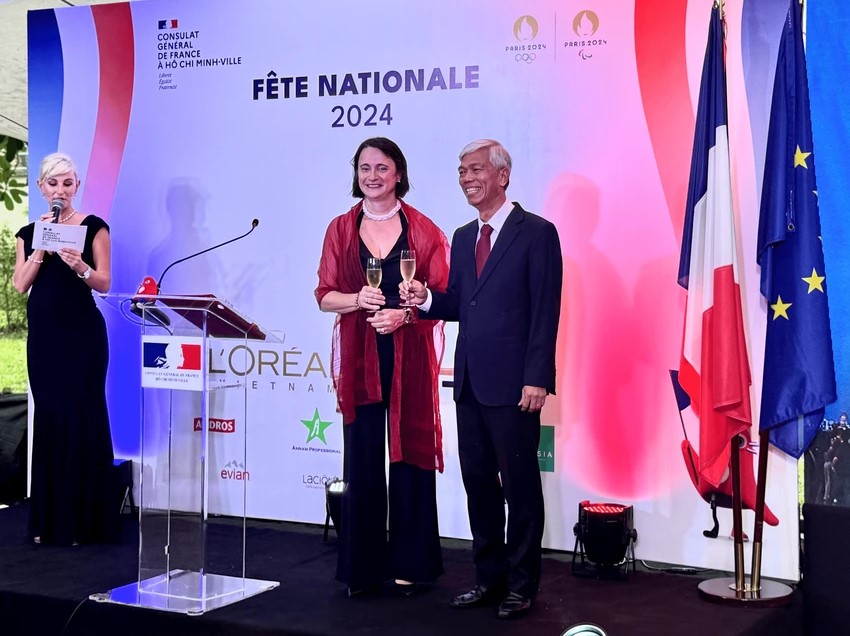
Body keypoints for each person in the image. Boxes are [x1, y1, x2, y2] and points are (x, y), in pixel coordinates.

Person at [403, 139, 562, 619]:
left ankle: (522, 585)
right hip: (470, 383)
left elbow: (545, 311)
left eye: (475, 169)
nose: (466, 178)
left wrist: (537, 378)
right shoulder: (462, 236)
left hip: (516, 387)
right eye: (461, 171)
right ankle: (488, 580)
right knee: (479, 486)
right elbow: (460, 302)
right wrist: (427, 299)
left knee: (520, 489)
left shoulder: (537, 233)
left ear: (502, 175)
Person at [315, 137, 450, 597]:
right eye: (364, 168)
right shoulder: (340, 229)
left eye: (382, 168)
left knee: (411, 456)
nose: (372, 176)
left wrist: (406, 314)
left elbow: (441, 299)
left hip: (409, 354)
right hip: (360, 356)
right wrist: (357, 299)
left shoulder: (424, 230)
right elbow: (324, 297)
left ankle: (413, 564)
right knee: (362, 459)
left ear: (399, 174)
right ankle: (363, 568)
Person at [12, 152, 117, 546]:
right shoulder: (27, 233)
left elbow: (104, 282)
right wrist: (42, 246)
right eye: (53, 183)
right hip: (45, 340)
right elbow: (20, 284)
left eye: (67, 183)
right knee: (51, 419)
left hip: (82, 338)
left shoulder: (93, 228)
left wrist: (79, 266)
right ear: (41, 188)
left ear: (77, 186)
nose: (61, 190)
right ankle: (49, 521)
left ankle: (84, 524)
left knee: (82, 418)